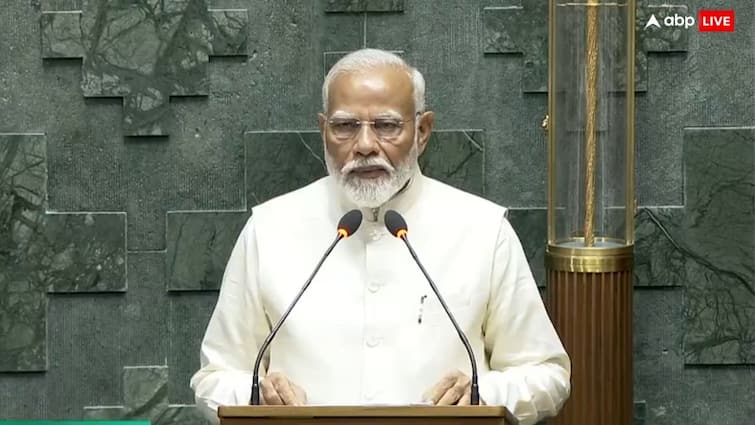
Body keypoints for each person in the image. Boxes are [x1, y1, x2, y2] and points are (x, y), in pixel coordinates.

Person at [190, 48, 570, 425]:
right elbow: (215, 379)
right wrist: (257, 396)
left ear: (422, 131)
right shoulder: (269, 228)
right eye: (345, 126)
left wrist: (481, 395)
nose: (366, 145)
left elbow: (546, 374)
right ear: (323, 131)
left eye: (387, 126)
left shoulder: (484, 230)